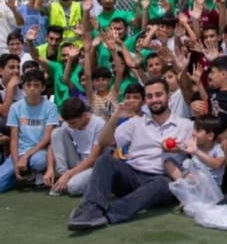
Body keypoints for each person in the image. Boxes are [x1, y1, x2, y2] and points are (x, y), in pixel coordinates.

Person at [67, 79, 195, 230]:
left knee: (163, 184)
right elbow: (105, 141)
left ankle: (109, 214)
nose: (154, 100)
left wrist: (180, 150)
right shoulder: (136, 123)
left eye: (159, 95)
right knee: (105, 160)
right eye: (150, 96)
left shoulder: (187, 126)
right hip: (132, 175)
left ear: (169, 97)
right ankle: (91, 209)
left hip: (161, 178)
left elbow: (200, 153)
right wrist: (115, 117)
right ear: (145, 100)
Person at [0, 69, 59, 194]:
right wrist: (16, 164)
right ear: (23, 87)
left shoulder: (50, 107)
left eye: (36, 85)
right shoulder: (16, 107)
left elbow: (47, 139)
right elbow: (14, 139)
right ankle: (21, 175)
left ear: (43, 87)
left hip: (39, 151)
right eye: (28, 85)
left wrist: (26, 156)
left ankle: (37, 172)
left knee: (39, 161)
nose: (32, 89)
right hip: (19, 151)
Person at [48, 97, 107, 197]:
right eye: (68, 122)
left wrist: (68, 174)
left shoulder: (99, 124)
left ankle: (67, 180)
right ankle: (62, 177)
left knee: (73, 187)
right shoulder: (69, 123)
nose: (70, 125)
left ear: (84, 115)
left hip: (93, 166)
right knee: (57, 132)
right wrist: (49, 168)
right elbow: (53, 144)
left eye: (73, 123)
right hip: (78, 160)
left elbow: (92, 158)